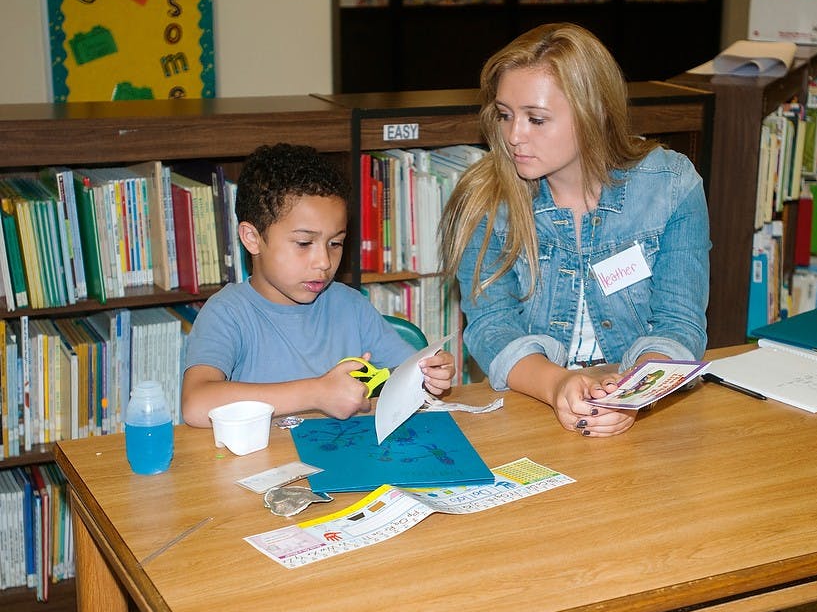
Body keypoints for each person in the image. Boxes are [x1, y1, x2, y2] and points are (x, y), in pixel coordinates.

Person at [440, 23, 710, 438]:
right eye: (506, 115)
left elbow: (680, 322)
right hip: (532, 401)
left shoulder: (671, 185)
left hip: (644, 401)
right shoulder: (484, 198)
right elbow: (491, 325)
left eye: (536, 119)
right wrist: (558, 385)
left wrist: (630, 395)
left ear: (594, 112)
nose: (514, 136)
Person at [181, 143, 456, 428]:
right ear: (252, 238)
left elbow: (409, 373)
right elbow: (196, 404)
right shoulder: (228, 313)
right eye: (304, 243)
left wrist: (430, 375)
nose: (324, 262)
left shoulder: (350, 306)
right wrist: (315, 393)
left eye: (335, 243)